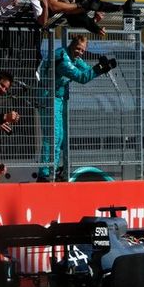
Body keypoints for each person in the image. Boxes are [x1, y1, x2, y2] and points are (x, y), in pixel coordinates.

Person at [37, 35, 117, 182]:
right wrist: (99, 68)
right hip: (49, 97)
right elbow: (82, 77)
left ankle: (52, 169)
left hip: (58, 98)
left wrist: (104, 65)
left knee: (60, 136)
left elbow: (86, 68)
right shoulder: (63, 59)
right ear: (71, 45)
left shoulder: (72, 56)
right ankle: (45, 173)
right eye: (78, 49)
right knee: (52, 136)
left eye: (83, 50)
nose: (80, 52)